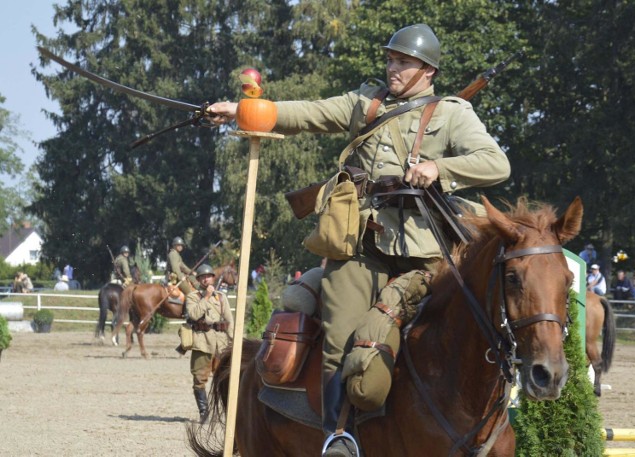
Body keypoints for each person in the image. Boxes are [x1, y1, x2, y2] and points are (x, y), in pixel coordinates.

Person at [208, 23, 510, 456]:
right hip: (360, 250)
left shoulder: (451, 114)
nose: (393, 68)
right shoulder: (365, 105)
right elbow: (307, 113)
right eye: (390, 59)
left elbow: (496, 163)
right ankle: (338, 435)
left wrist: (440, 168)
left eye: (403, 62)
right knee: (341, 335)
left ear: (428, 70)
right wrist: (240, 111)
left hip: (425, 256)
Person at [185, 264, 234, 424]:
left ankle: (226, 413)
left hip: (220, 344)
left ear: (213, 278)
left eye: (208, 276)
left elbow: (229, 320)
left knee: (224, 379)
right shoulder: (193, 296)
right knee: (199, 379)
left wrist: (233, 339)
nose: (206, 279)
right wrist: (206, 297)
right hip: (202, 343)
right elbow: (193, 314)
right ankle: (205, 413)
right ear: (198, 280)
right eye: (202, 277)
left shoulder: (221, 297)